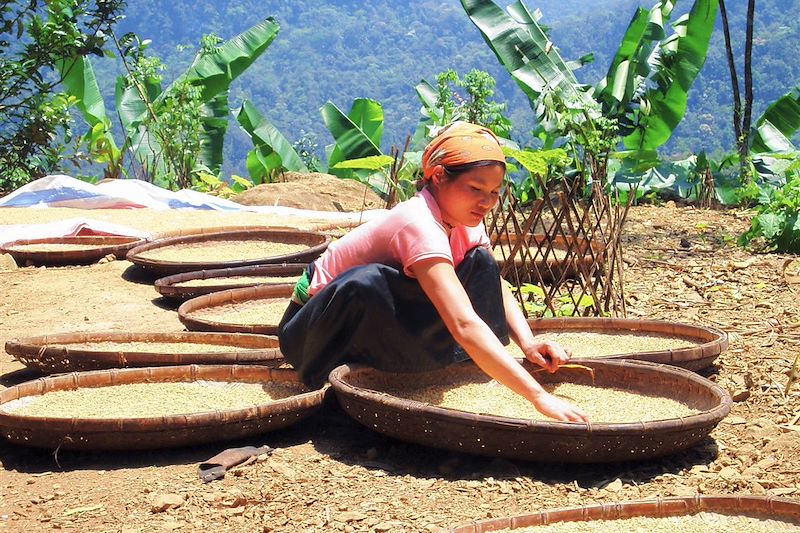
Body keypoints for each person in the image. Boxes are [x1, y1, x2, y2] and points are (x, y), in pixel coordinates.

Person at [278, 121, 589, 423]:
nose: (486, 202)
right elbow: (463, 323)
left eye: (494, 192)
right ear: (439, 177)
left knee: (480, 261)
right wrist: (538, 397)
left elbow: (491, 282)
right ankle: (348, 381)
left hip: (382, 318)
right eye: (475, 188)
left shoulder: (464, 219)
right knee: (367, 282)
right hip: (310, 333)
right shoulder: (419, 224)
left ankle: (459, 368)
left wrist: (528, 342)